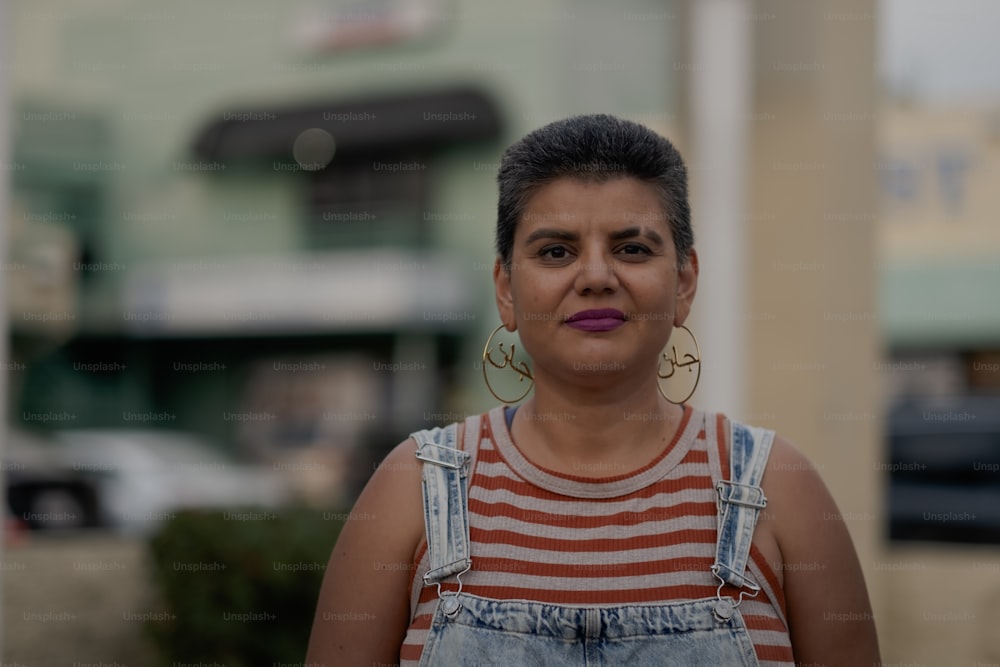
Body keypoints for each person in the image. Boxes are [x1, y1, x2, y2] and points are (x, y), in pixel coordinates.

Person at [305, 114, 880, 666]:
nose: (597, 277)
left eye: (632, 248)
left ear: (684, 283)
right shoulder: (412, 491)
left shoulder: (779, 491)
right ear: (505, 289)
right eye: (556, 251)